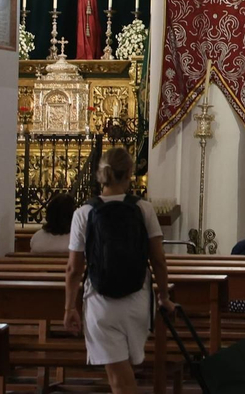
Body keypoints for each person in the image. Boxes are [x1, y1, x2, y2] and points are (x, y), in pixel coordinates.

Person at [64, 146, 172, 393]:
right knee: (123, 374)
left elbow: (73, 268)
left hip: (101, 301)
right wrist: (164, 296)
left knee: (119, 378)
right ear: (130, 173)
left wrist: (70, 307)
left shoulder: (84, 213)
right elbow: (158, 259)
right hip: (137, 299)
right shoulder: (144, 209)